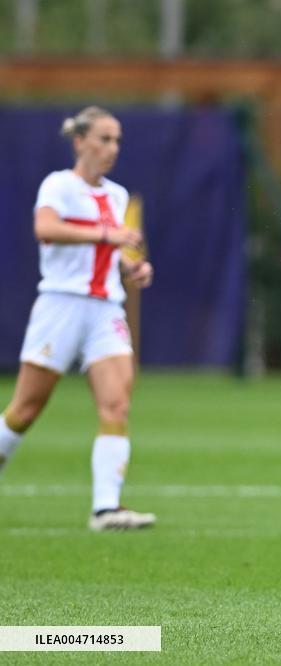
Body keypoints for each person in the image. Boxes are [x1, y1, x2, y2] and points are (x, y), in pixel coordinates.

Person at [0, 106, 156, 531]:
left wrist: (132, 268)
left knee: (117, 402)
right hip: (61, 304)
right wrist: (108, 235)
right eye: (104, 139)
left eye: (117, 140)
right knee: (26, 408)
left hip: (105, 308)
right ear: (80, 142)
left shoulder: (118, 195)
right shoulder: (60, 185)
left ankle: (106, 509)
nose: (112, 148)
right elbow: (45, 228)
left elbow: (115, 252)